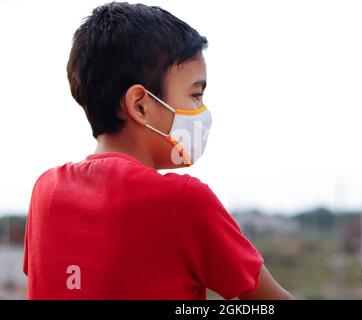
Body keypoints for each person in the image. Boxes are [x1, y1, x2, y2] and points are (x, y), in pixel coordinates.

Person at [23, 2, 293, 300]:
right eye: (195, 94)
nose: (202, 111)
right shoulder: (185, 201)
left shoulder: (45, 192)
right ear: (140, 105)